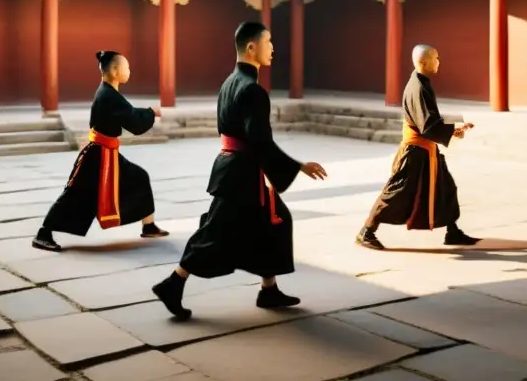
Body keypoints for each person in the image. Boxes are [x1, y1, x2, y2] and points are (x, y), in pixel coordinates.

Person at [151, 21, 327, 320]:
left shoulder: (230, 81)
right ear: (251, 47)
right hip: (240, 173)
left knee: (275, 221)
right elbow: (259, 140)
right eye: (268, 41)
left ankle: (268, 289)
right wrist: (297, 166)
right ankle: (173, 283)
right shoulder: (252, 90)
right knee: (216, 232)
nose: (272, 48)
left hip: (234, 166)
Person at [31, 50, 168, 252]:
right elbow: (133, 121)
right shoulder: (109, 95)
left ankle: (148, 225)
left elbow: (128, 112)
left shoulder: (109, 93)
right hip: (97, 155)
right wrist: (151, 113)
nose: (129, 71)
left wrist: (146, 112)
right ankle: (43, 234)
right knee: (76, 193)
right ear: (114, 70)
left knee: (138, 177)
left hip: (107, 152)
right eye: (126, 67)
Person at [356, 44, 479, 250]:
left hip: (427, 149)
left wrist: (451, 130)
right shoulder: (418, 88)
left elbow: (429, 122)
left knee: (445, 187)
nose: (439, 61)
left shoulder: (421, 82)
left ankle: (453, 231)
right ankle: (366, 231)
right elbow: (428, 125)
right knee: (396, 192)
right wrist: (451, 130)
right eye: (436, 58)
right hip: (415, 152)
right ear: (424, 62)